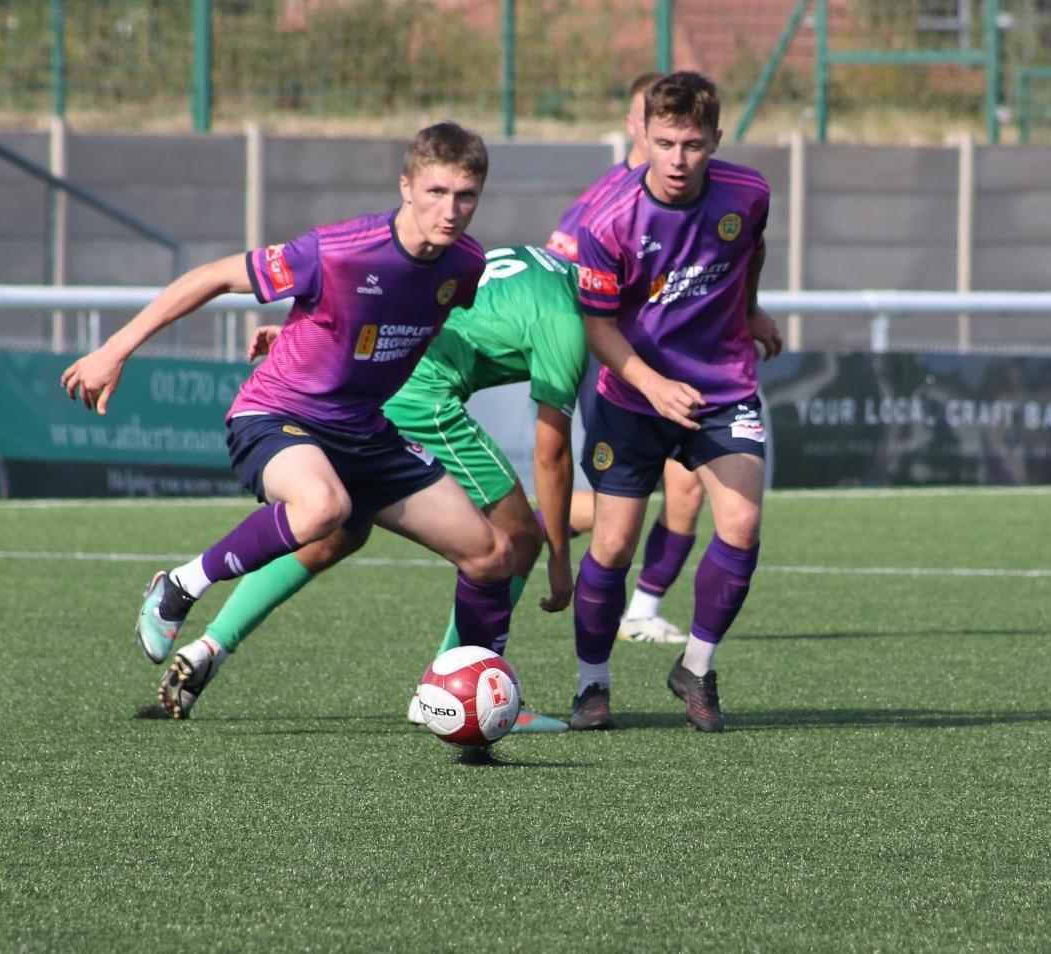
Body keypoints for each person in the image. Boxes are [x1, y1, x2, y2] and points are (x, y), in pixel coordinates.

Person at [60, 122, 518, 720]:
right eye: (436, 192)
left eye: (465, 196)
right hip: (276, 415)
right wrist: (114, 349)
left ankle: (472, 703)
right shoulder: (339, 249)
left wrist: (308, 332)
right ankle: (179, 586)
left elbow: (398, 325)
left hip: (364, 430)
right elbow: (215, 276)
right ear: (405, 186)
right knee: (322, 509)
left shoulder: (466, 264)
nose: (450, 210)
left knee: (491, 554)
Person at [154, 244, 588, 730]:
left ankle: (212, 645)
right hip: (420, 398)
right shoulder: (569, 321)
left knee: (338, 532)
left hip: (368, 385)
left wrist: (318, 343)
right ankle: (451, 692)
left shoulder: (533, 260)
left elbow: (409, 308)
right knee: (517, 536)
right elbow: (551, 456)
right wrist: (560, 560)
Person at [569, 71, 783, 733]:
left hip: (722, 389)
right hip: (633, 399)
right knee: (611, 546)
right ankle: (592, 684)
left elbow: (752, 250)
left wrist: (750, 312)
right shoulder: (608, 217)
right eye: (665, 143)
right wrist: (653, 385)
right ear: (643, 135)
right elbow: (597, 324)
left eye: (692, 143)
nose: (678, 159)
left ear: (715, 138)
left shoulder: (748, 193)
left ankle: (695, 666)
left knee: (741, 526)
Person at [547, 71, 706, 647]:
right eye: (653, 121)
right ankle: (539, 519)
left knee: (688, 489)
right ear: (637, 125)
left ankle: (641, 610)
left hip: (683, 371)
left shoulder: (708, 194)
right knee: (622, 511)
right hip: (612, 367)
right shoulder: (606, 202)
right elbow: (559, 276)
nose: (671, 140)